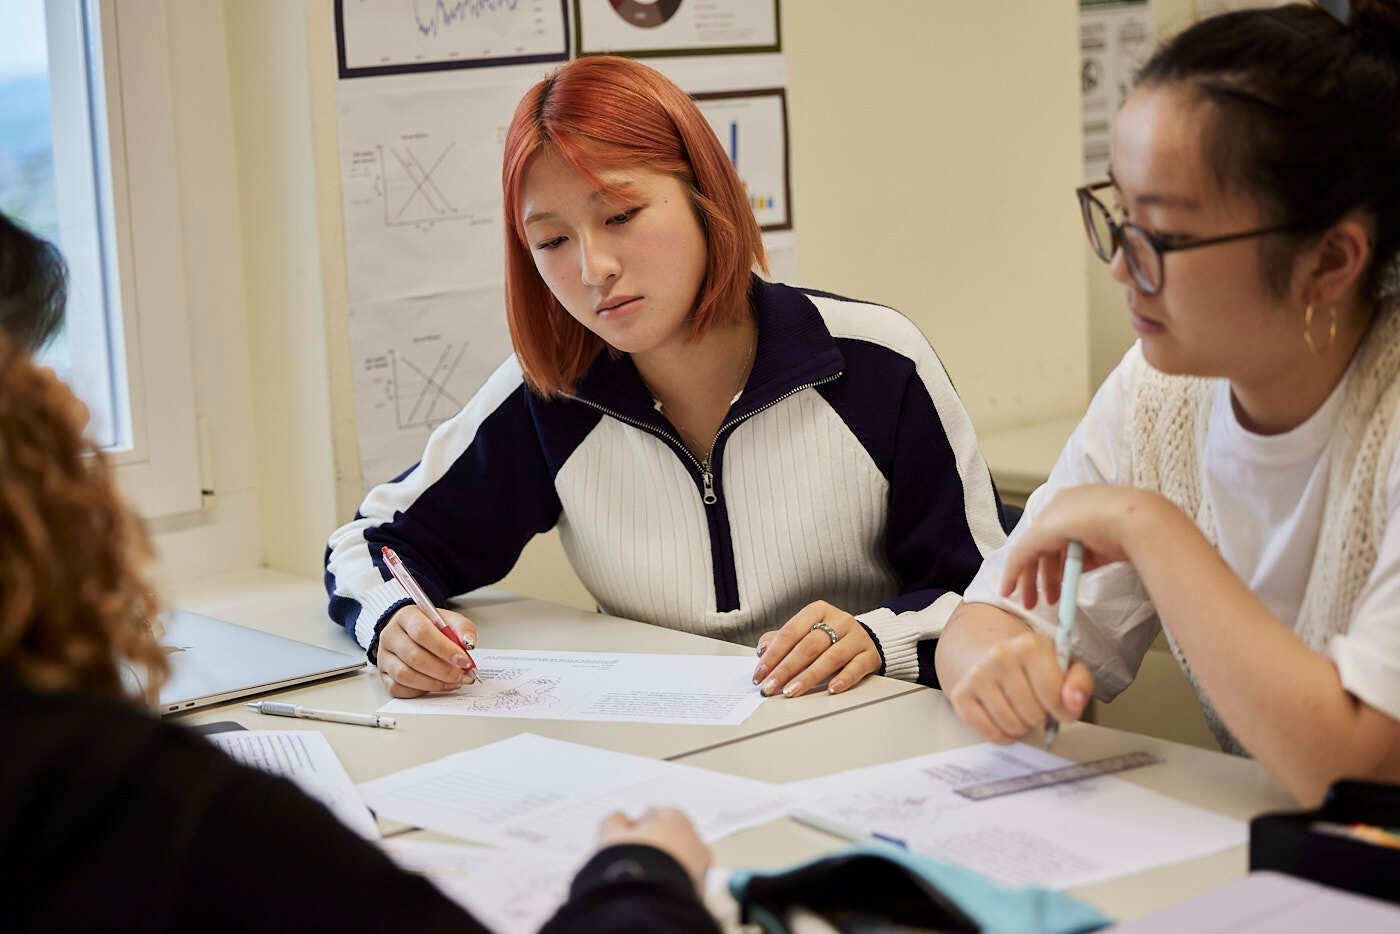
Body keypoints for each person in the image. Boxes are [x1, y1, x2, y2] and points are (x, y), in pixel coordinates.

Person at [0, 212, 719, 932]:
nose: (75, 406)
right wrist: (637, 879)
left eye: (621, 216)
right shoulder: (148, 808)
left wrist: (843, 623)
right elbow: (378, 537)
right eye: (34, 369)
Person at [325, 56, 1004, 701]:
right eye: (552, 242)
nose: (594, 269)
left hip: (870, 737)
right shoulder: (552, 393)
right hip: (664, 758)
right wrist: (394, 622)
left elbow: (989, 592)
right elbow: (371, 544)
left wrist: (876, 638)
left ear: (707, 196)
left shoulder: (878, 362)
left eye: (620, 215)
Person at [935, 1, 1400, 806]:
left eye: (1166, 238)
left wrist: (1147, 528)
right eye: (1120, 216)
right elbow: (987, 620)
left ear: (1330, 259)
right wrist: (995, 666)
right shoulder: (1157, 391)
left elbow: (1356, 767)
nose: (1122, 267)